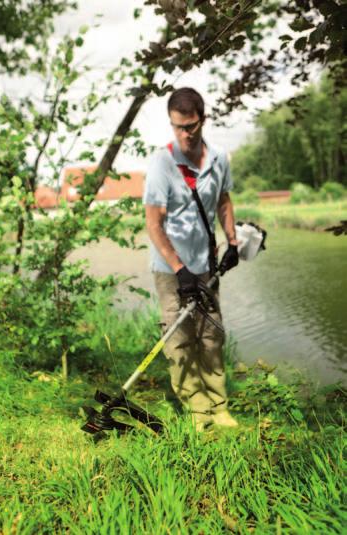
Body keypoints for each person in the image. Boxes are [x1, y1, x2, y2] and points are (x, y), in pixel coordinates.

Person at [143, 87, 239, 431]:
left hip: (206, 265)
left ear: (203, 120)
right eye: (178, 127)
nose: (185, 134)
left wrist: (232, 241)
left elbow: (223, 201)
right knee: (179, 340)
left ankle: (219, 405)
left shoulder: (219, 159)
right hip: (171, 271)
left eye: (191, 126)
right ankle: (199, 412)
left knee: (211, 337)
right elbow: (153, 223)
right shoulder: (161, 162)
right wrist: (179, 268)